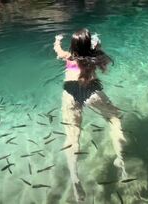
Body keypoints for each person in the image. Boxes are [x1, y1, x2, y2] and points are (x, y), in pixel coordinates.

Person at [53, 28, 127, 203]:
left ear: (73, 46)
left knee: (72, 136)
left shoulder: (68, 56)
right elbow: (100, 51)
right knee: (114, 118)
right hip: (91, 92)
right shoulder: (95, 57)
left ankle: (75, 178)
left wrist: (57, 40)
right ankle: (121, 160)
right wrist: (97, 43)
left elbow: (57, 51)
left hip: (70, 92)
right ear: (90, 46)